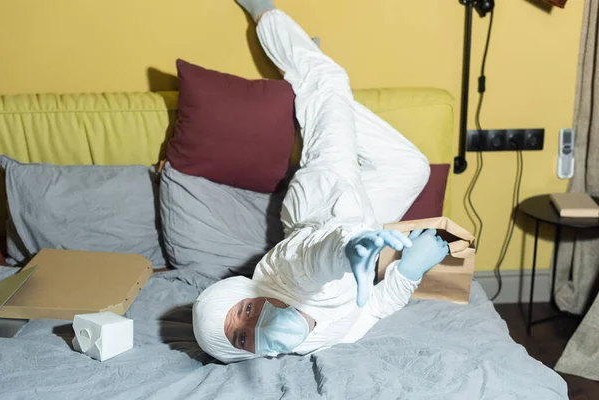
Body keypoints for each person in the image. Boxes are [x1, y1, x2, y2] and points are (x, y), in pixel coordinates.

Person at [192, 0, 449, 363]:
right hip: (358, 218)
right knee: (412, 168)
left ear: (247, 291)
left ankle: (265, 15)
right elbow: (370, 311)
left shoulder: (280, 272)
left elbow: (313, 256)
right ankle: (316, 84)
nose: (255, 325)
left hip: (321, 202)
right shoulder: (312, 341)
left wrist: (350, 248)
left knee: (330, 79)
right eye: (240, 338)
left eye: (246, 311)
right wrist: (408, 271)